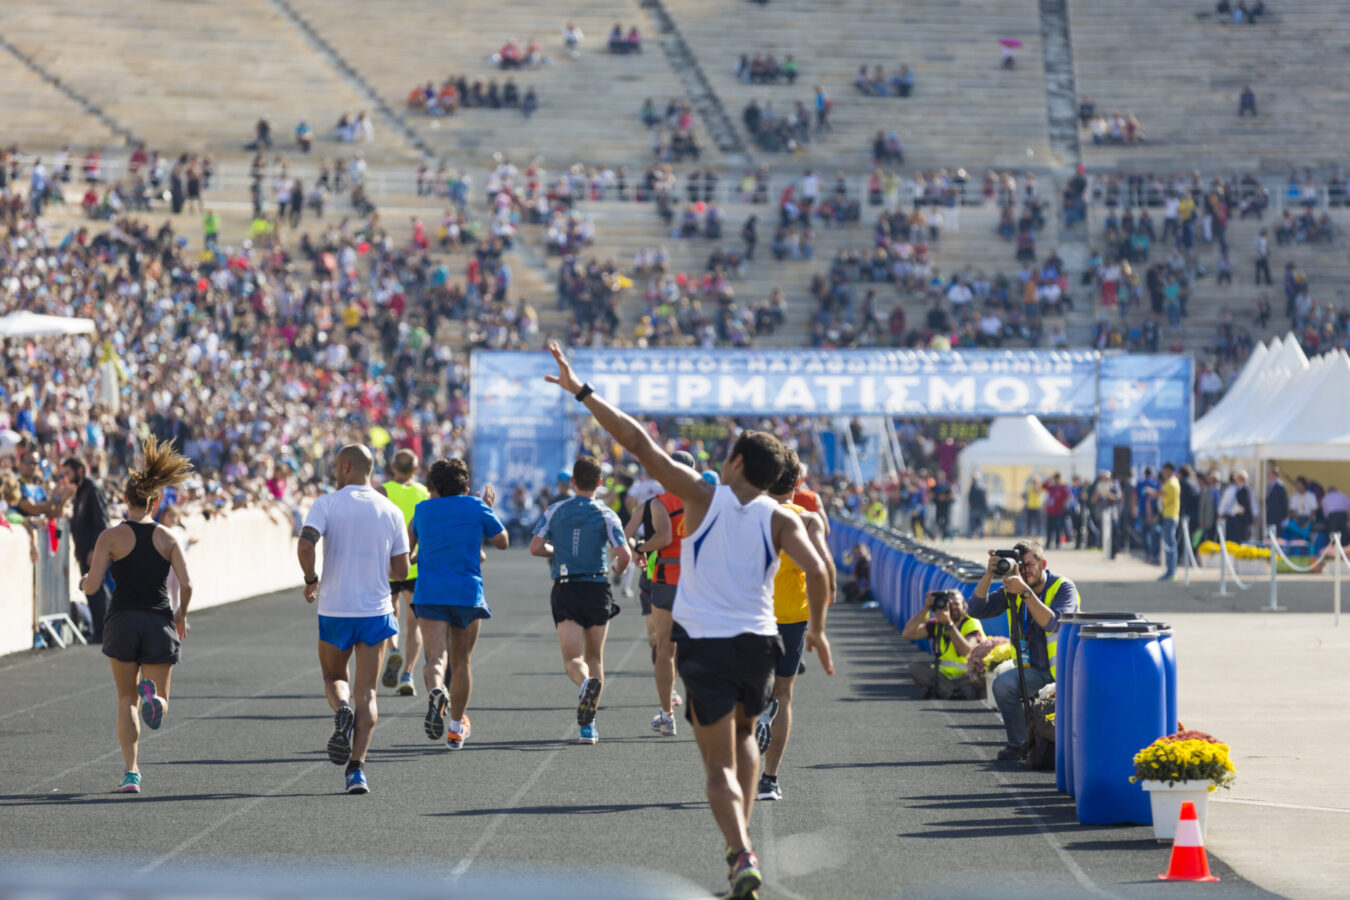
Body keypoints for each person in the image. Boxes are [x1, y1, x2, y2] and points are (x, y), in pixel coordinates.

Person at [542, 340, 832, 899]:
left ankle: (740, 850)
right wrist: (816, 628)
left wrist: (582, 391)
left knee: (717, 766)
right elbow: (818, 570)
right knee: (745, 737)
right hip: (758, 644)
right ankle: (743, 845)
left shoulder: (702, 495)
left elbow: (636, 441)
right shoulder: (782, 514)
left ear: (739, 463)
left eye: (727, 454)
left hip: (704, 644)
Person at [79, 437, 193, 794]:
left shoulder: (110, 537)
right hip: (159, 620)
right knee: (160, 700)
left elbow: (93, 587)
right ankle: (154, 700)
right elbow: (188, 584)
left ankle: (131, 773)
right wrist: (181, 614)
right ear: (155, 501)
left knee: (125, 699)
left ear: (124, 500)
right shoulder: (167, 537)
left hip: (123, 621)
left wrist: (84, 581)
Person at [297, 445, 411, 795]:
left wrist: (311, 578)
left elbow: (305, 544)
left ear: (346, 466)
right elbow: (402, 570)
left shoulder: (327, 504)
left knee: (334, 677)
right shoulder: (390, 510)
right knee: (370, 694)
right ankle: (356, 770)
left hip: (335, 608)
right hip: (375, 611)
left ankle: (341, 708)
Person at [530, 456, 632, 744]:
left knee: (574, 659)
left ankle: (585, 684)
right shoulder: (607, 514)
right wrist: (618, 570)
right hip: (598, 586)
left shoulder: (554, 509)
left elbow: (535, 547)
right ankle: (589, 727)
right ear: (600, 483)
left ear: (572, 482)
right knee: (595, 656)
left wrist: (559, 551)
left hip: (567, 587)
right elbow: (624, 556)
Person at [409, 458, 508, 749]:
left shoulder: (422, 510)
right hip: (466, 593)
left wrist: (417, 557)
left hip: (430, 593)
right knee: (462, 661)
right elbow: (502, 541)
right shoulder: (475, 507)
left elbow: (406, 548)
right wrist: (486, 509)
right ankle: (455, 728)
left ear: (433, 486)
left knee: (435, 659)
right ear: (466, 485)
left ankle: (436, 690)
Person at [755, 448, 835, 803]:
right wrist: (820, 625)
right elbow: (825, 569)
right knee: (784, 694)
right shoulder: (807, 519)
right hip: (792, 616)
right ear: (798, 482)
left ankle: (753, 713)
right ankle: (769, 780)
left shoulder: (746, 514)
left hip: (750, 614)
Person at [965, 540, 1079, 760]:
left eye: (1029, 565)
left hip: (1065, 670)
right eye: (1020, 566)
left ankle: (1055, 747)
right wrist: (989, 574)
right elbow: (976, 609)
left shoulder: (1063, 588)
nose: (1025, 571)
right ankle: (1018, 744)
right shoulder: (1014, 589)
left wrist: (1025, 592)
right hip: (1034, 669)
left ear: (1043, 563)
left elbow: (1052, 623)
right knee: (1003, 685)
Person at [636, 450, 698, 737]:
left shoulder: (661, 502)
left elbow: (664, 538)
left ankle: (667, 715)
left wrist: (640, 547)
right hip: (701, 582)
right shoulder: (705, 501)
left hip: (669, 580)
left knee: (665, 649)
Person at [377, 449, 428, 696]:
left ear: (393, 467)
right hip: (415, 562)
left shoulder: (383, 491)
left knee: (388, 611)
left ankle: (393, 650)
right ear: (416, 469)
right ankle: (408, 674)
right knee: (414, 622)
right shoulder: (424, 493)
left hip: (387, 562)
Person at [900, 589, 985, 699]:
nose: (953, 607)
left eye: (956, 603)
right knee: (914, 668)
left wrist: (949, 624)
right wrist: (926, 608)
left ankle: (948, 691)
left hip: (967, 676)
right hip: (943, 676)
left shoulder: (971, 623)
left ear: (964, 607)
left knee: (980, 679)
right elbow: (907, 633)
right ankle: (952, 692)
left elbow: (965, 651)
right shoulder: (938, 623)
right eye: (949, 603)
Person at [62, 456, 110, 642]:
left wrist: (95, 549)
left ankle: (106, 631)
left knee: (98, 590)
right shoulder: (79, 491)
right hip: (83, 550)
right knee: (91, 591)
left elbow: (101, 521)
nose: (66, 477)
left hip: (92, 551)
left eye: (68, 473)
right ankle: (100, 630)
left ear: (80, 470)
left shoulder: (93, 488)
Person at [1148, 462, 1181, 581]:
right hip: (1168, 516)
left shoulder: (1171, 483)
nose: (1162, 472)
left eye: (1164, 470)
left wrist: (1150, 491)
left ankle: (1171, 572)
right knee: (1169, 544)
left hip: (1170, 516)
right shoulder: (1172, 482)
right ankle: (1170, 571)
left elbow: (1160, 494)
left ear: (1169, 470)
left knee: (1170, 545)